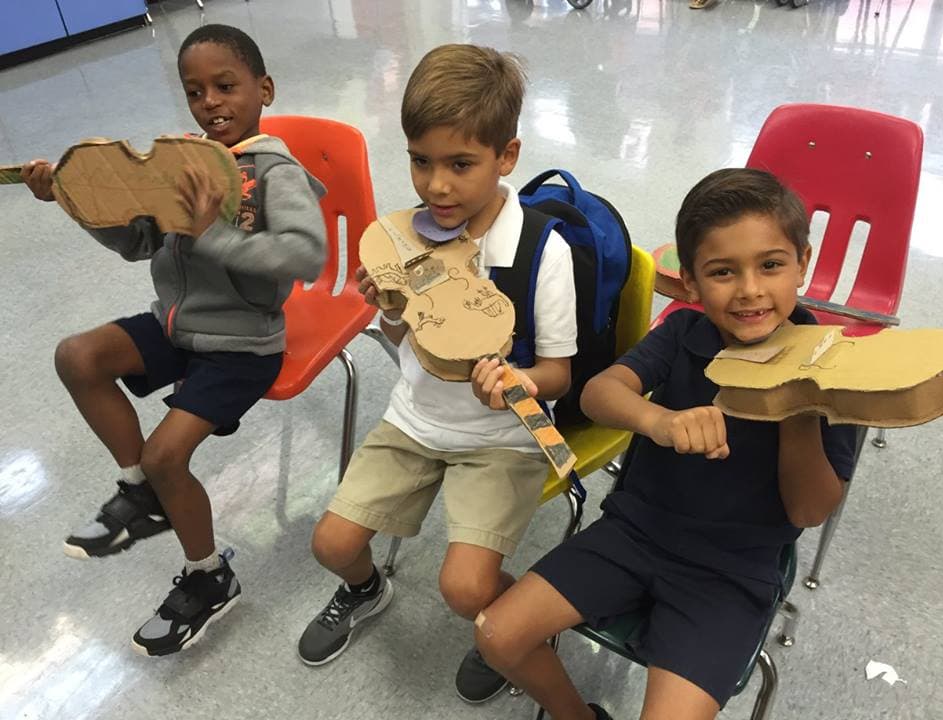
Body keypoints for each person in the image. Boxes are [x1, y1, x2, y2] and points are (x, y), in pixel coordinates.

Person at [473, 168, 859, 720]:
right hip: (635, 534)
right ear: (693, 284)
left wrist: (795, 409)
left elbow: (809, 509)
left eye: (771, 265)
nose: (750, 290)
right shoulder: (683, 334)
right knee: (497, 635)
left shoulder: (836, 370)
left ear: (804, 262)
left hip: (732, 572)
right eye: (723, 272)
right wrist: (659, 421)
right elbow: (600, 394)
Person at [21, 24, 327, 657]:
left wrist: (210, 234)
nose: (210, 102)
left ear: (263, 89)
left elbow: (306, 256)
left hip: (244, 345)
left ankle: (208, 573)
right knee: (77, 356)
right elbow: (139, 242)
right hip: (177, 327)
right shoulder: (182, 162)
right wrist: (73, 204)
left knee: (169, 456)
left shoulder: (273, 172)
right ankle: (141, 491)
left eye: (225, 86)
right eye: (195, 91)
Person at [296, 43, 578, 706]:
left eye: (460, 165)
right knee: (332, 543)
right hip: (415, 419)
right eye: (420, 162)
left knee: (467, 589)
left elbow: (560, 373)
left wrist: (520, 380)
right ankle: (367, 589)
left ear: (506, 156)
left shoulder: (542, 250)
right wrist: (387, 307)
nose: (436, 187)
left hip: (501, 437)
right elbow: (411, 341)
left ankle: (521, 632)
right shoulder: (407, 236)